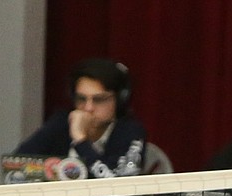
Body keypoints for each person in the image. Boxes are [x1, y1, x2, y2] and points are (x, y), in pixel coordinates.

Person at [12, 58, 146, 179]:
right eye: (81, 99)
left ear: (120, 100)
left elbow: (116, 187)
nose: (88, 108)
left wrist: (81, 141)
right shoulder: (61, 122)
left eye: (99, 99)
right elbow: (16, 164)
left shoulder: (131, 131)